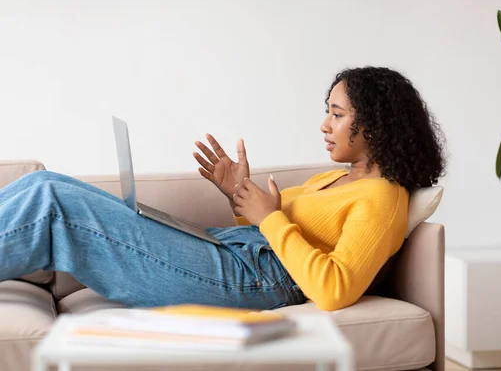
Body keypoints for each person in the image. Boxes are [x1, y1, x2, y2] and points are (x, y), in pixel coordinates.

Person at [0, 66, 446, 311]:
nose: (324, 125)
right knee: (44, 182)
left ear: (374, 125)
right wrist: (239, 194)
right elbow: (270, 227)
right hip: (235, 252)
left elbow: (334, 289)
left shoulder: (383, 199)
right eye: (328, 112)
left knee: (52, 203)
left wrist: (267, 215)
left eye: (336, 114)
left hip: (255, 277)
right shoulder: (337, 177)